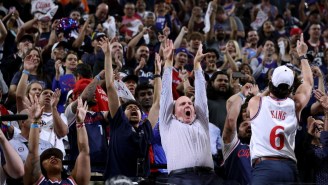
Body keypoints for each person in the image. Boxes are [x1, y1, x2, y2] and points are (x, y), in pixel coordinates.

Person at [247, 33, 313, 184]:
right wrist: (302, 56)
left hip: (264, 167)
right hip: (289, 167)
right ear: (290, 89)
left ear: (270, 83)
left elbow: (263, 97)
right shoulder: (295, 105)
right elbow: (308, 83)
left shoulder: (256, 102)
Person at [159, 39, 221, 185]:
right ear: (173, 112)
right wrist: (168, 64)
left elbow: (201, 97)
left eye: (189, 103)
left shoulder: (202, 122)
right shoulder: (168, 123)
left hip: (209, 178)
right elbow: (166, 93)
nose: (187, 105)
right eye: (182, 104)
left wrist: (197, 66)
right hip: (180, 179)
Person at [101, 37, 159, 179]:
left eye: (136, 108)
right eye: (129, 107)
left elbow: (157, 103)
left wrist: (158, 72)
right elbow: (110, 86)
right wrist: (108, 55)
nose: (134, 109)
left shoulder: (145, 129)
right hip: (117, 180)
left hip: (141, 181)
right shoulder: (119, 122)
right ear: (122, 112)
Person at [24, 96, 90, 185]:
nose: (52, 157)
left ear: (63, 167)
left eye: (56, 156)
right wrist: (35, 121)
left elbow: (84, 151)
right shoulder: (37, 181)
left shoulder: (74, 181)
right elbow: (33, 152)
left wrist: (80, 123)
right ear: (41, 167)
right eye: (47, 157)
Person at [222, 84, 253, 185]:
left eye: (252, 125)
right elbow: (231, 120)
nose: (249, 126)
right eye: (244, 125)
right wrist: (241, 95)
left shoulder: (262, 146)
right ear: (237, 130)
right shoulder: (232, 145)